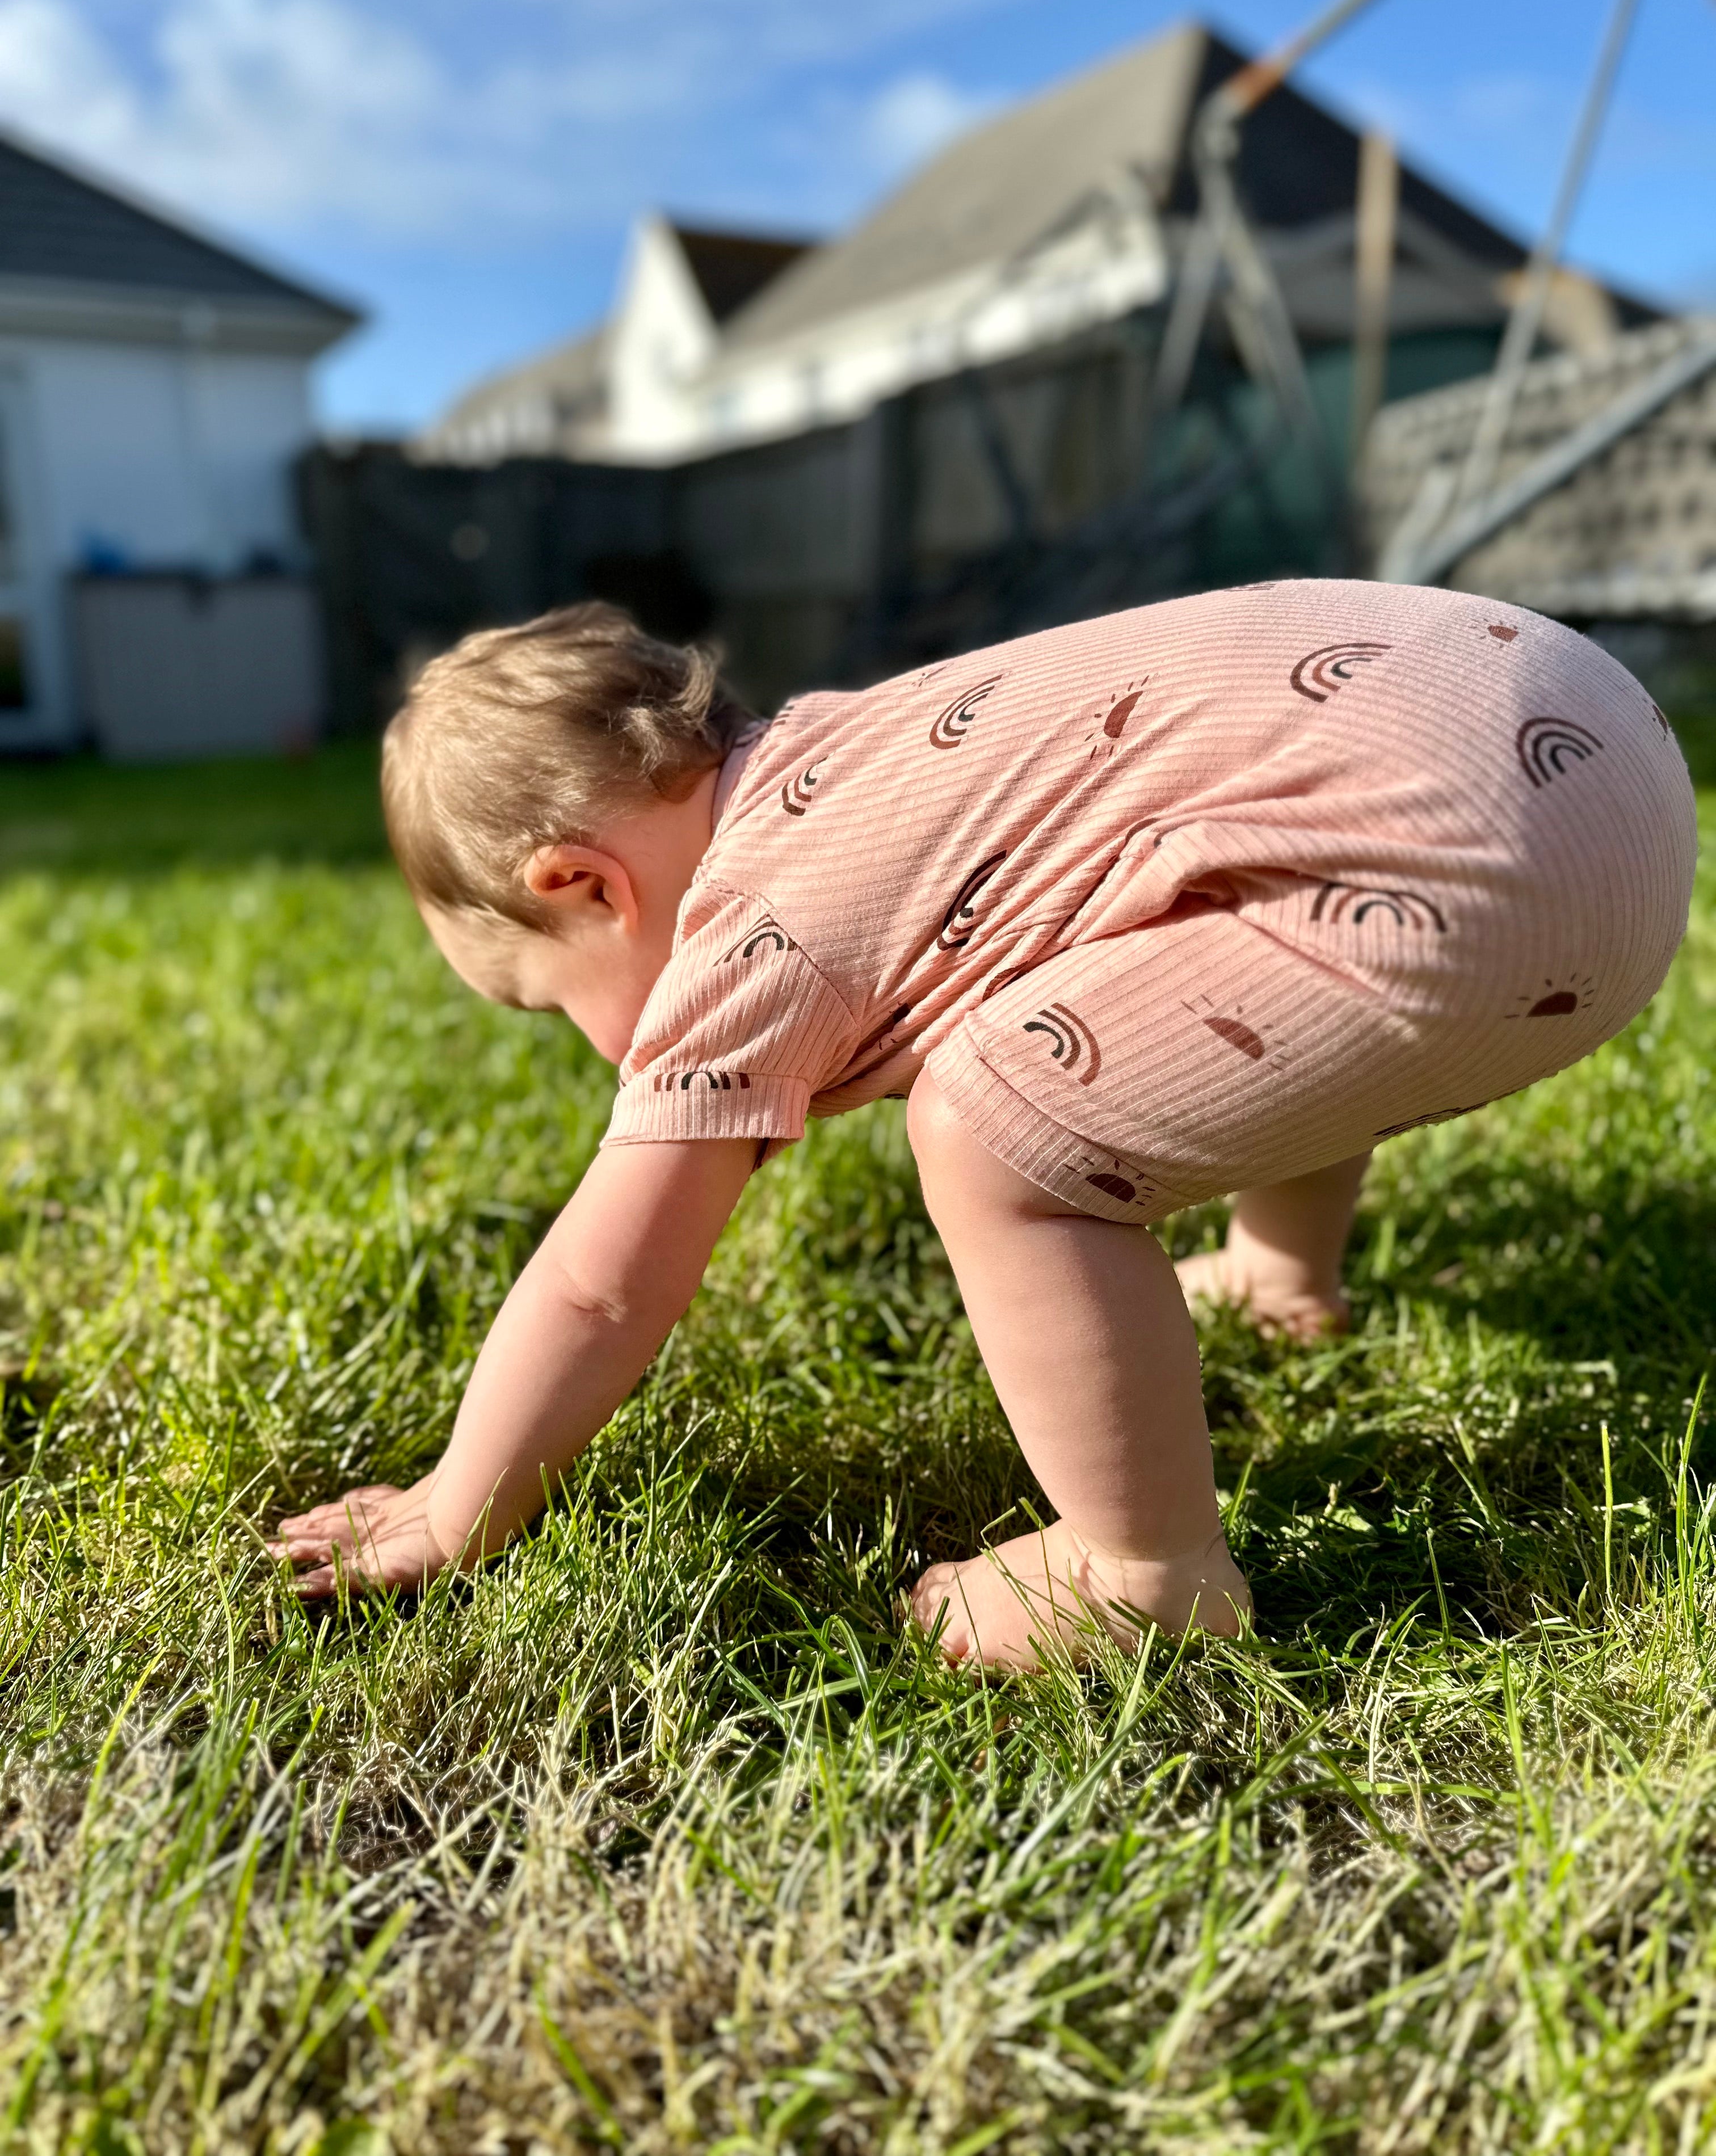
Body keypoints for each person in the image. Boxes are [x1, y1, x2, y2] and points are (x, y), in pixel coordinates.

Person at [272, 585, 1696, 1666]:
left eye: (544, 1004)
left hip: (1474, 875)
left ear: (584, 886)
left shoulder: (750, 924)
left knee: (990, 1124)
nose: (588, 1048)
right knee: (1224, 914)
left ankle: (1143, 1573)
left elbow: (604, 1287)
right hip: (1594, 754)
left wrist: (456, 1504)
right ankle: (1284, 1271)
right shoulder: (863, 754)